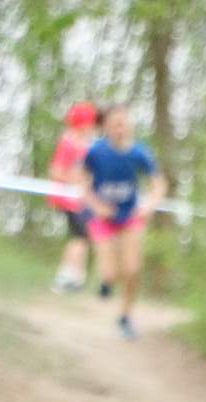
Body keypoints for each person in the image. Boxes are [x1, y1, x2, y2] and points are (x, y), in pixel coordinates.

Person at [76, 103, 167, 340]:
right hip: (101, 217)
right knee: (109, 273)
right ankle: (105, 282)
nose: (120, 128)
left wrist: (148, 205)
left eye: (124, 124)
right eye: (115, 124)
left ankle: (125, 317)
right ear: (106, 127)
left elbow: (158, 184)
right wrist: (97, 206)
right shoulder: (95, 152)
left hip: (129, 217)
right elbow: (81, 182)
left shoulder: (139, 153)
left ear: (130, 125)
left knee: (132, 269)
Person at [47, 102, 97, 294]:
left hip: (82, 201)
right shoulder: (67, 143)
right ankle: (64, 277)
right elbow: (56, 171)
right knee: (80, 237)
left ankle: (77, 279)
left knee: (84, 237)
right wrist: (75, 182)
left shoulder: (85, 144)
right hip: (69, 200)